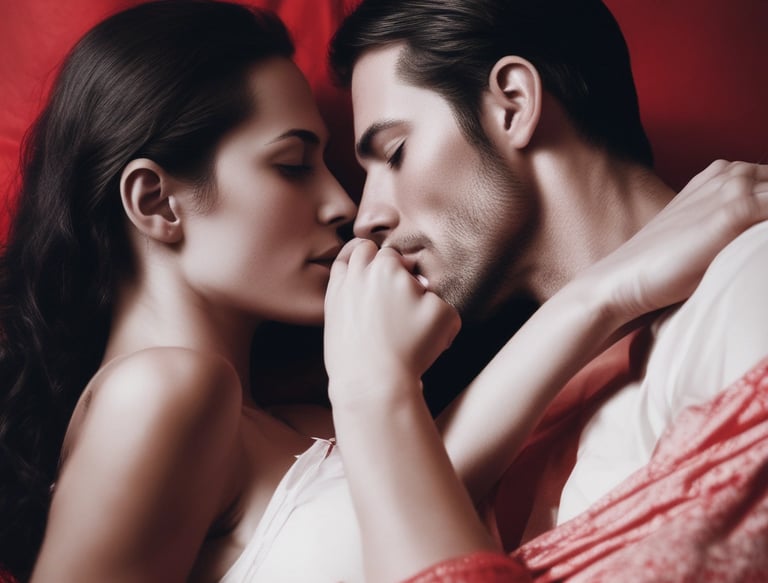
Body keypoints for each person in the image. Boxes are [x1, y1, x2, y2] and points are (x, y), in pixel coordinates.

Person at [0, 2, 762, 583]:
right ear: (157, 202)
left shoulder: (306, 420)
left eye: (378, 156)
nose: (349, 209)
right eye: (293, 164)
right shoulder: (165, 391)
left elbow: (425, 479)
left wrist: (613, 286)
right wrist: (613, 285)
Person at [327, 0, 768, 579]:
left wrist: (368, 387)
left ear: (512, 104)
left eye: (394, 153)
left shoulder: (748, 278)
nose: (365, 219)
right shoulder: (521, 422)